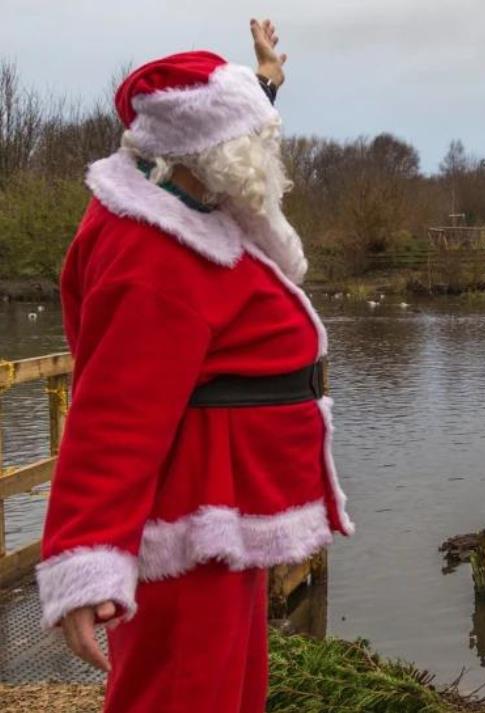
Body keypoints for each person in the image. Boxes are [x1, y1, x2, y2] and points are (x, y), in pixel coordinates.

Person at [36, 21, 353, 713]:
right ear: (214, 157)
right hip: (188, 515)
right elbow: (114, 415)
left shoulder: (187, 195)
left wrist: (264, 81)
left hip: (223, 507)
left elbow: (227, 136)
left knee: (232, 691)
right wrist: (87, 564)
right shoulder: (151, 256)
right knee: (185, 693)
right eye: (257, 144)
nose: (269, 159)